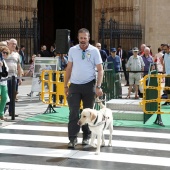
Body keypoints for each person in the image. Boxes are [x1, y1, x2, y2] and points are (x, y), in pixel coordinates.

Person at [64, 28, 103, 148]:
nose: (83, 40)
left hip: (89, 85)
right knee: (74, 113)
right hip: (74, 86)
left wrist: (98, 86)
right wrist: (66, 85)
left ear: (88, 38)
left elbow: (100, 69)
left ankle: (86, 136)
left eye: (85, 38)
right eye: (81, 38)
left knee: (88, 113)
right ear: (78, 38)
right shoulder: (72, 50)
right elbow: (69, 68)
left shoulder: (95, 51)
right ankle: (73, 139)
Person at [5, 38, 22, 117]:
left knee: (13, 95)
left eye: (15, 44)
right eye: (12, 43)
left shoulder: (17, 55)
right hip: (5, 78)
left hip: (14, 77)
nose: (13, 45)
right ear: (8, 44)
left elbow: (19, 67)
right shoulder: (4, 53)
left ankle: (12, 112)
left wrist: (19, 78)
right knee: (5, 95)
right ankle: (3, 111)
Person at [0, 46, 9, 120]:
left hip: (4, 82)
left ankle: (1, 113)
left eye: (6, 53)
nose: (5, 54)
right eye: (3, 52)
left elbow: (5, 73)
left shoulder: (4, 61)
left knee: (5, 98)